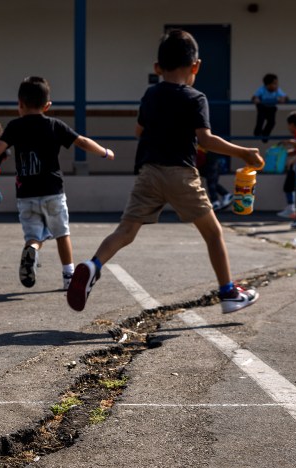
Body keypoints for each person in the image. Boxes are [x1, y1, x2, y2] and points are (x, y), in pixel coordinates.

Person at [66, 29, 263, 314]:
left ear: (158, 67)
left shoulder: (150, 94)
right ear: (196, 66)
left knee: (126, 231)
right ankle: (228, 292)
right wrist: (244, 152)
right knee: (213, 233)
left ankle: (93, 265)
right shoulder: (196, 98)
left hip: (148, 172)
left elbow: (138, 130)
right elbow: (206, 140)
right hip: (180, 174)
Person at [0, 76, 115, 290]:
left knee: (34, 235)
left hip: (26, 194)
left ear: (19, 104)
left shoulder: (14, 126)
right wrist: (105, 152)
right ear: (47, 105)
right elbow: (82, 141)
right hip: (52, 192)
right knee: (62, 233)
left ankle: (32, 249)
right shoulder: (54, 125)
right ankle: (68, 275)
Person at [276, 111, 296, 218]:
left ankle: (292, 209)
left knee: (289, 187)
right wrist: (284, 153)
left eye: (288, 124)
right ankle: (291, 208)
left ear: (292, 124)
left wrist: (289, 142)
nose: (288, 127)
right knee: (290, 187)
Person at [252, 73, 288, 143]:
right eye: (274, 84)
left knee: (271, 122)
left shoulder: (277, 90)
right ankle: (257, 132)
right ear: (268, 85)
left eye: (276, 84)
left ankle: (265, 135)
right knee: (260, 120)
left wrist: (283, 99)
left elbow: (285, 97)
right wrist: (256, 99)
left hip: (271, 108)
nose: (276, 86)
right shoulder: (262, 89)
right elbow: (254, 97)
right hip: (262, 107)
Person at [197, 145, 233, 211]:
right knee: (211, 181)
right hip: (207, 162)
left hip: (210, 161)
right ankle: (224, 196)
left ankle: (216, 202)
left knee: (211, 182)